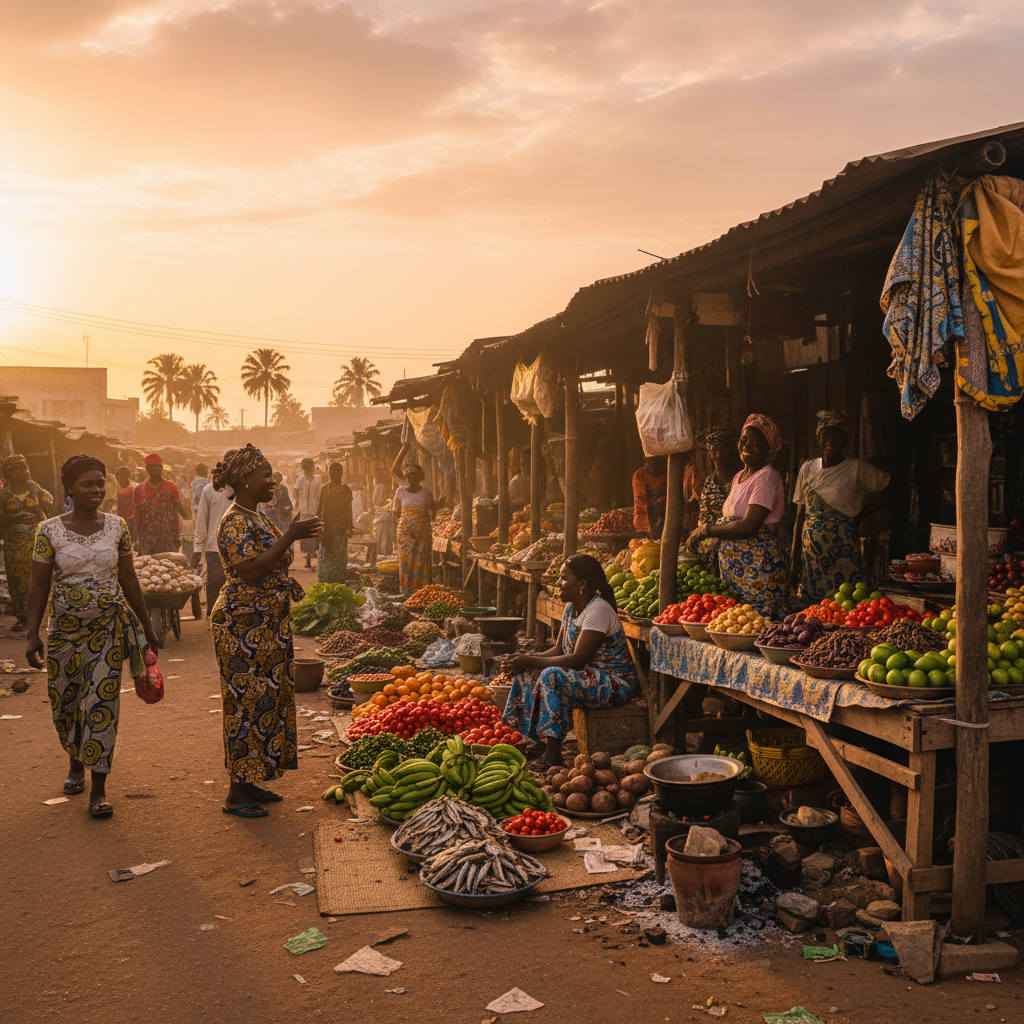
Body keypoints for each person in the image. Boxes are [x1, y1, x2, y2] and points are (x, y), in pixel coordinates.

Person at [25, 455, 159, 818]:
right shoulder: (48, 531)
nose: (97, 490)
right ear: (69, 487)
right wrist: (32, 633)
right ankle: (74, 763)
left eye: (101, 483)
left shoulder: (117, 527)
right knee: (67, 703)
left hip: (108, 631)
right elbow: (39, 584)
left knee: (101, 704)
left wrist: (147, 627)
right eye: (88, 484)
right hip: (64, 634)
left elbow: (129, 579)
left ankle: (98, 790)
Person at [210, 445, 321, 818]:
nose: (273, 481)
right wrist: (291, 536)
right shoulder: (234, 521)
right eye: (266, 475)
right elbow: (251, 570)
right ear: (244, 480)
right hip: (242, 624)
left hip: (266, 623)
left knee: (266, 701)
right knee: (244, 704)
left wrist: (289, 535)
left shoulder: (255, 516)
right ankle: (235, 793)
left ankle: (251, 780)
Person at [501, 554, 636, 769]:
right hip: (585, 675)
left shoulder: (598, 610)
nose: (558, 583)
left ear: (582, 584)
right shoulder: (571, 608)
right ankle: (535, 741)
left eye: (564, 578)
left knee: (551, 675)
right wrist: (524, 661)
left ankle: (553, 753)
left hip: (614, 682)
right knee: (528, 671)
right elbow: (559, 649)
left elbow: (577, 659)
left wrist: (530, 659)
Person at [686, 413, 789, 616]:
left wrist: (707, 530)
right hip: (737, 570)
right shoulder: (739, 477)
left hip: (759, 569)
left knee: (758, 623)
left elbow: (749, 526)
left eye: (756, 443)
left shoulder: (766, 477)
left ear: (769, 449)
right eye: (744, 440)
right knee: (739, 623)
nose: (747, 446)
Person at [791, 410, 894, 601]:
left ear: (845, 440)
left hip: (843, 549)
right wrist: (794, 559)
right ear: (818, 438)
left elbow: (893, 487)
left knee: (844, 600)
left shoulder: (857, 469)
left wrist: (863, 513)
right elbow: (800, 514)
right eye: (825, 436)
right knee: (812, 603)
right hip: (812, 549)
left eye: (836, 436)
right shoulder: (808, 468)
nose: (830, 441)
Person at [0, 455, 54, 632]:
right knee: (16, 578)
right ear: (10, 473)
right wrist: (16, 517)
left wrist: (37, 516)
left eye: (24, 468)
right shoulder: (3, 494)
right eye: (18, 469)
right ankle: (22, 617)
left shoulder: (35, 489)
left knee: (36, 577)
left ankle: (36, 615)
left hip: (35, 540)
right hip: (13, 544)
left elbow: (49, 502)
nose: (24, 471)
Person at [192, 449, 237, 610]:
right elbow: (202, 520)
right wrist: (198, 548)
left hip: (240, 545)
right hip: (214, 546)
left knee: (237, 583)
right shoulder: (210, 490)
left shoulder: (245, 488)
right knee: (215, 582)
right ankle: (212, 614)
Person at [694, 429, 741, 573]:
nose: (718, 456)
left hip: (735, 543)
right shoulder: (709, 481)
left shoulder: (740, 480)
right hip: (709, 541)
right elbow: (704, 514)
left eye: (723, 451)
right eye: (713, 451)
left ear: (732, 452)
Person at [392, 442, 435, 593]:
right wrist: (404, 447)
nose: (412, 478)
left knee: (421, 560)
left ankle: (422, 590)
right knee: (406, 560)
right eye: (409, 476)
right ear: (406, 477)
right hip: (405, 533)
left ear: (420, 477)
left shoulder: (426, 493)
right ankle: (407, 590)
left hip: (422, 533)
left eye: (415, 475)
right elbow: (396, 511)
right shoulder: (401, 491)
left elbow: (433, 510)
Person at [133, 454, 189, 555]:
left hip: (168, 536)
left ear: (161, 468)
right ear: (146, 469)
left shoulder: (171, 487)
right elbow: (137, 516)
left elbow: (180, 511)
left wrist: (179, 535)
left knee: (169, 566)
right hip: (147, 538)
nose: (154, 469)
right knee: (148, 566)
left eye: (157, 466)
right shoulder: (139, 489)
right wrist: (135, 538)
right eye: (151, 467)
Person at [316, 462, 353, 583]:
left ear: (341, 474)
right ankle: (325, 584)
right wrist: (318, 527)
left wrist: (350, 527)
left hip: (340, 529)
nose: (335, 475)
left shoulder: (346, 489)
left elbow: (349, 508)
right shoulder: (325, 489)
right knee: (326, 557)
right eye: (332, 472)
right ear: (329, 473)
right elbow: (320, 509)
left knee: (339, 559)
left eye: (338, 472)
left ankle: (337, 584)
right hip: (327, 529)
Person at [293, 457, 322, 569]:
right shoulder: (300, 480)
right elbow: (295, 493)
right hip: (304, 511)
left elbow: (320, 495)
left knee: (314, 535)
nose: (307, 472)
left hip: (314, 510)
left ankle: (311, 555)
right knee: (306, 536)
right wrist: (297, 503)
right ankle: (309, 557)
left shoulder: (318, 479)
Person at [632, 455, 667, 538]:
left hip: (665, 514)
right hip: (648, 516)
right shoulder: (640, 475)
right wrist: (644, 529)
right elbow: (640, 504)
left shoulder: (669, 473)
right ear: (646, 459)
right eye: (651, 460)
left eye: (657, 460)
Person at [114, 466, 135, 535]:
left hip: (130, 521)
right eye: (117, 475)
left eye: (122, 475)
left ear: (128, 476)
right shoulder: (116, 487)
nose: (119, 477)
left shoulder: (132, 489)